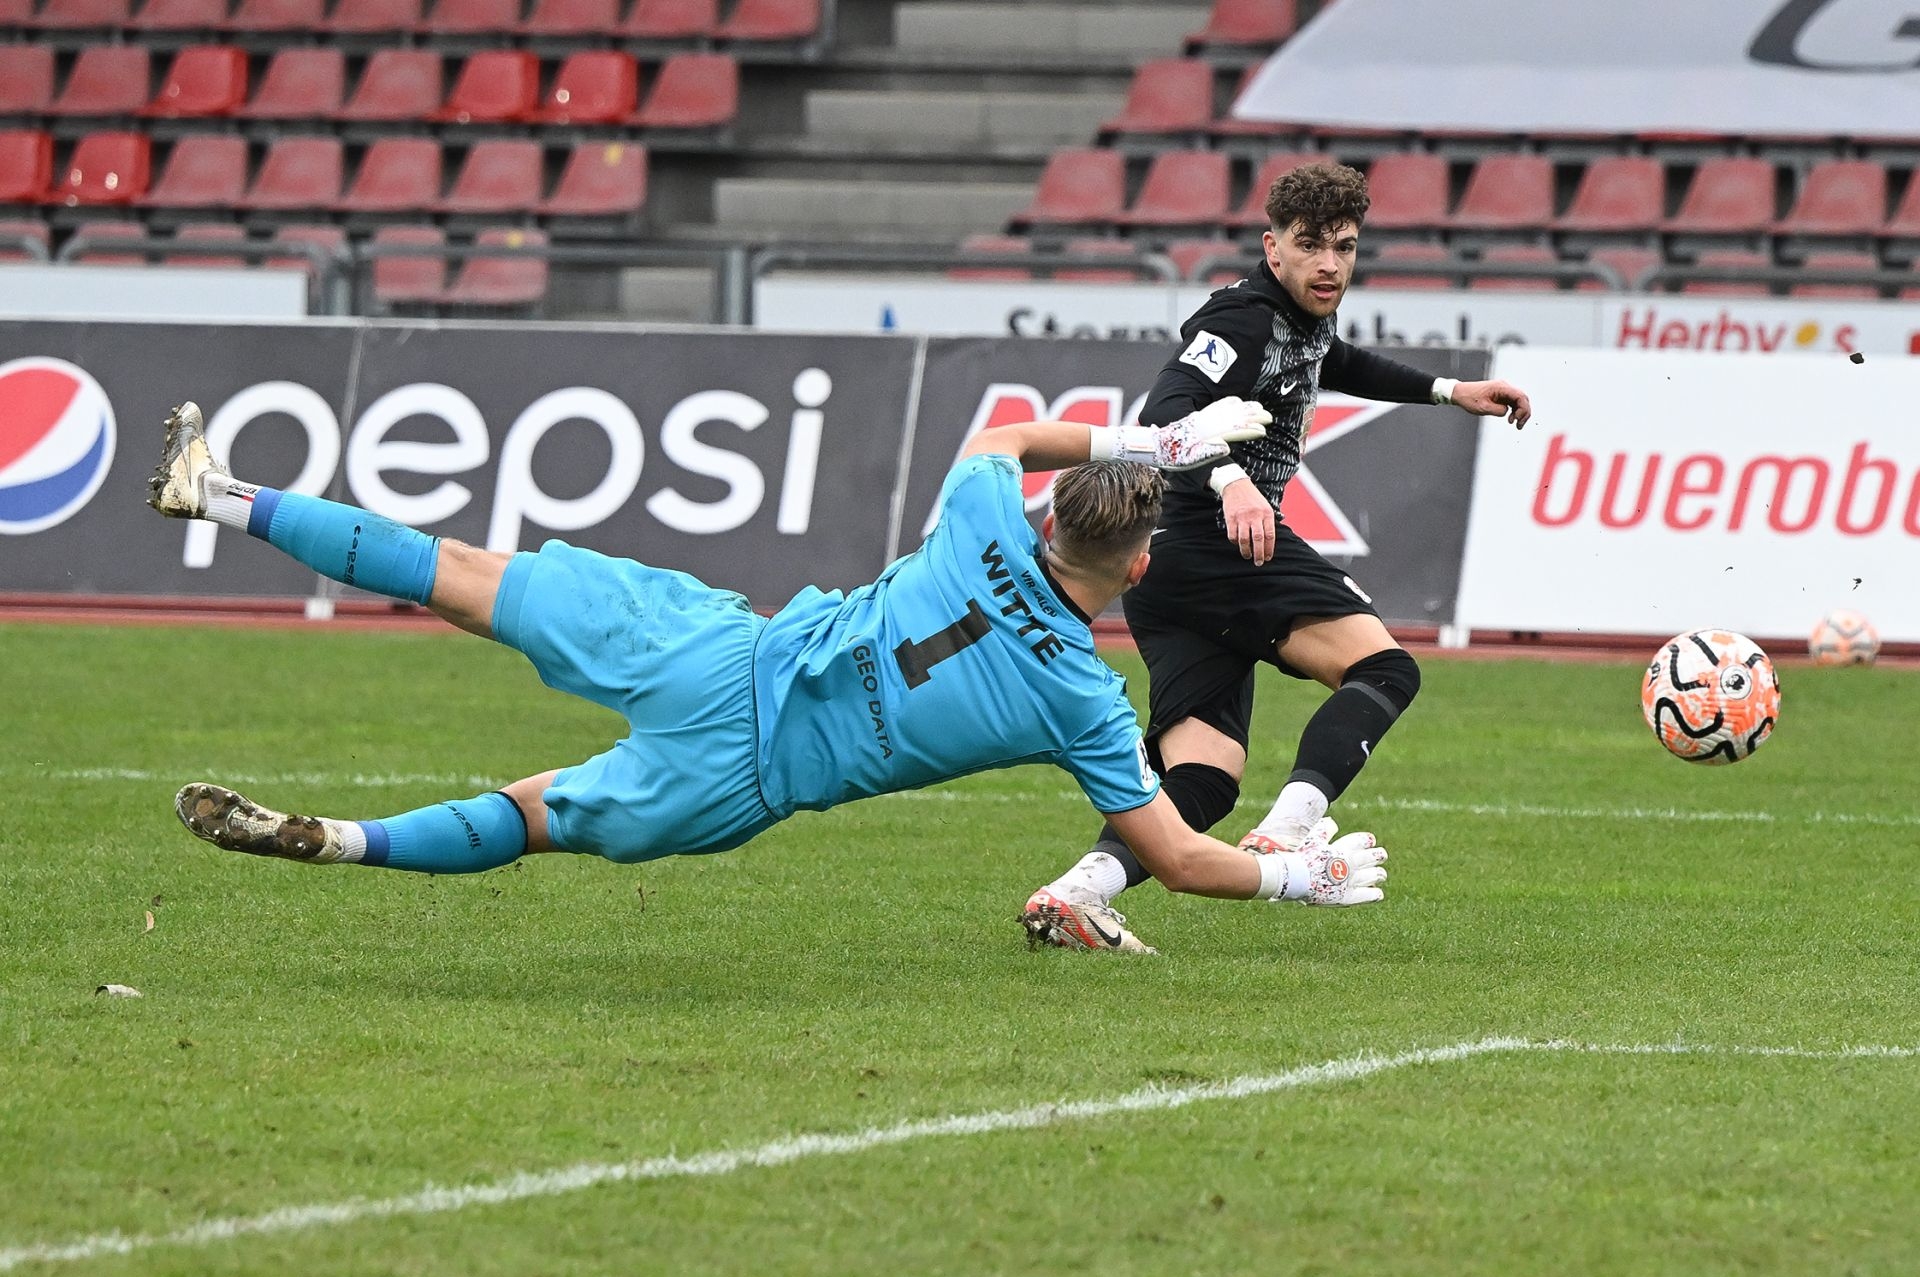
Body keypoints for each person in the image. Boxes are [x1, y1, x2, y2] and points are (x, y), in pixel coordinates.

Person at [147, 396, 1389, 951]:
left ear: (1051, 517)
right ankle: (346, 840)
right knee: (536, 813)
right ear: (1134, 561)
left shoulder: (981, 514)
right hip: (743, 770)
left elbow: (1007, 435)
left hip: (715, 648)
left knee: (465, 575)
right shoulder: (1081, 697)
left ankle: (226, 493)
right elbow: (1175, 856)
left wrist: (1149, 439)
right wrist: (1299, 870)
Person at [1023, 161, 1531, 953]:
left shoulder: (1302, 315)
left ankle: (1078, 893)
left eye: (1346, 247)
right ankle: (1290, 829)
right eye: (1311, 246)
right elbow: (1165, 408)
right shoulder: (1243, 319)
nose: (1330, 264)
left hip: (1172, 568)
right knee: (1387, 670)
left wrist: (1447, 389)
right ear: (1273, 247)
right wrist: (1230, 481)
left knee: (1204, 776)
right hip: (1216, 537)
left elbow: (1339, 359)